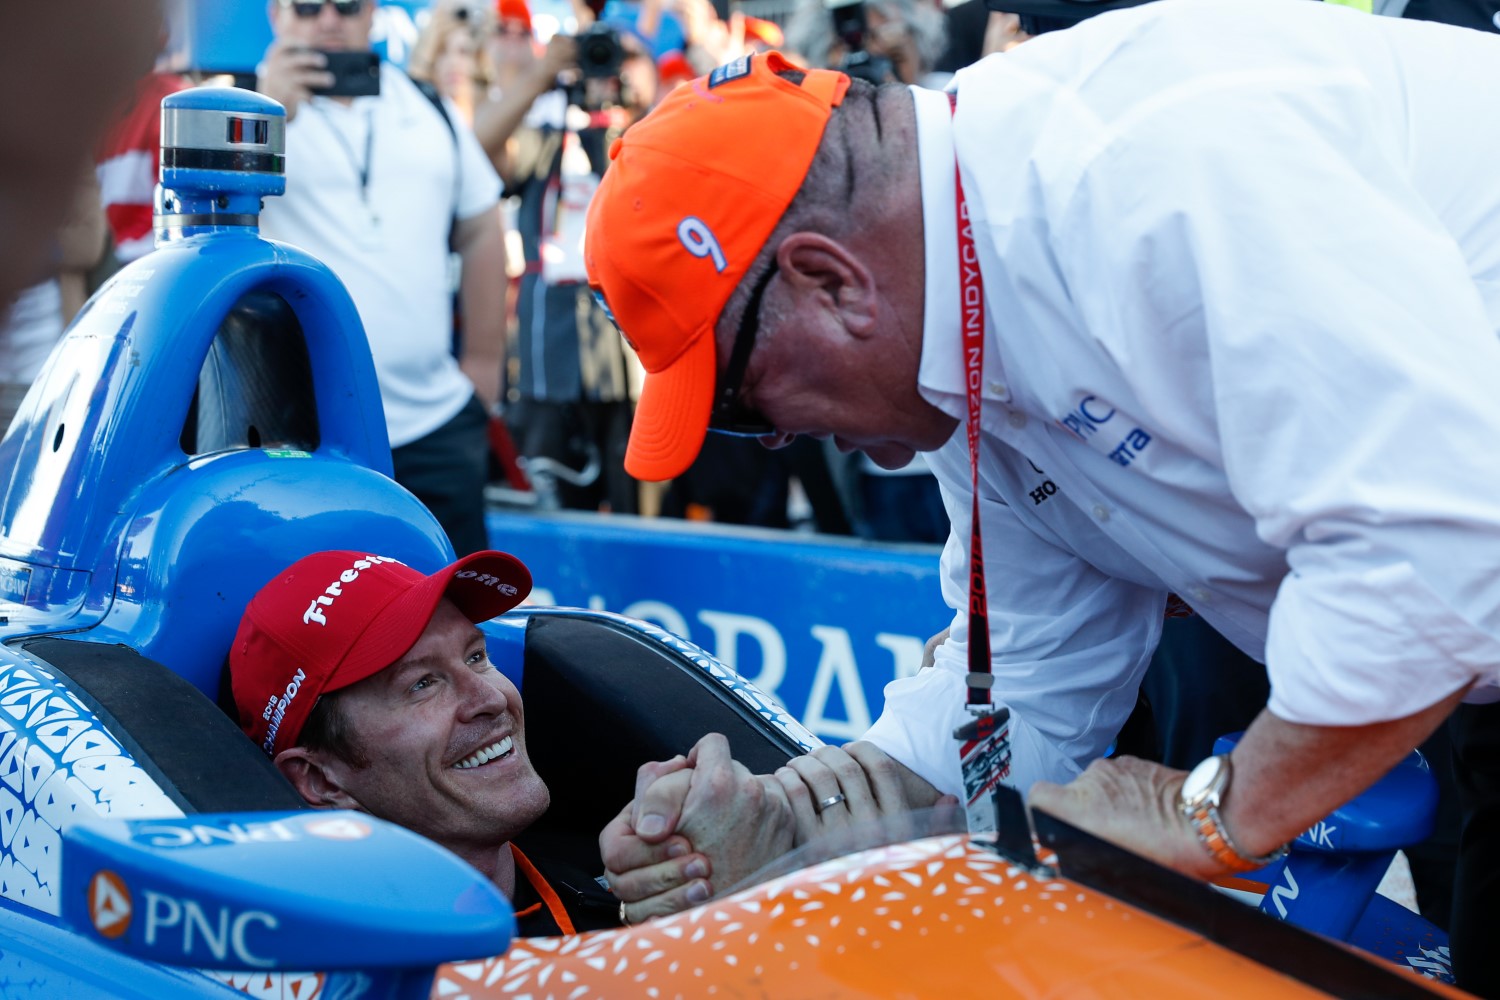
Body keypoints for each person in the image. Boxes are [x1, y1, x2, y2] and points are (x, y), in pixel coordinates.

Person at [581, 4, 1500, 992]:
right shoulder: (964, 299)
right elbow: (1033, 664)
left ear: (829, 281)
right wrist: (802, 824)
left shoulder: (1148, 168)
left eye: (740, 400)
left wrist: (1212, 814)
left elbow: (1442, 550)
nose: (775, 440)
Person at [256, 0, 507, 556]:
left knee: (457, 617)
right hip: (301, 437)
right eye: (306, 6)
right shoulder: (250, 114)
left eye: (346, 5)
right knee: (322, 620)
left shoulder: (423, 101)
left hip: (439, 421)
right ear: (276, 15)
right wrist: (270, 115)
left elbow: (482, 224)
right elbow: (199, 234)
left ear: (372, 13)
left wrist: (484, 370)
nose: (328, 19)